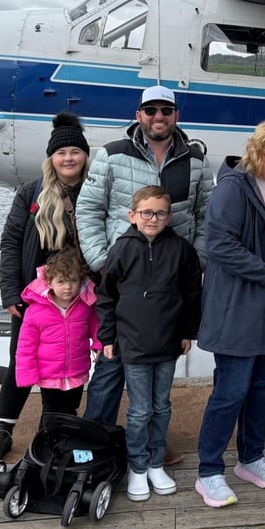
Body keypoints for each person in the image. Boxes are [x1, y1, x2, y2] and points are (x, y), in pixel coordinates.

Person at [76, 84, 213, 461]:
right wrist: (101, 262)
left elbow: (204, 217)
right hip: (122, 280)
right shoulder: (111, 154)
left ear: (175, 116)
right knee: (110, 363)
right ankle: (95, 442)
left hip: (169, 288)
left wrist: (196, 262)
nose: (158, 117)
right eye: (150, 110)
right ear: (139, 116)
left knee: (156, 374)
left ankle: (151, 443)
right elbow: (88, 209)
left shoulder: (195, 160)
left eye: (165, 111)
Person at [193, 118, 265, 508]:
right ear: (256, 148)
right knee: (230, 391)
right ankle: (208, 471)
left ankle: (251, 458)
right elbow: (218, 245)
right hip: (240, 307)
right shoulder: (234, 187)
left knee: (260, 388)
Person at [0, 111, 91, 467]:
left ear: (85, 155)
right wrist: (10, 291)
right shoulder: (31, 193)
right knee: (21, 363)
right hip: (36, 296)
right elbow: (11, 241)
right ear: (51, 158)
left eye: (75, 151)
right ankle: (3, 430)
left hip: (78, 295)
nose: (68, 158)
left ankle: (52, 429)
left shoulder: (94, 192)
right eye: (61, 152)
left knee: (68, 362)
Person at [95, 186, 203, 502]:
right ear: (133, 216)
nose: (152, 218)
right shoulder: (121, 250)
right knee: (140, 410)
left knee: (162, 406)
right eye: (146, 213)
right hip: (133, 345)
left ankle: (157, 462)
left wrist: (188, 332)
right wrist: (108, 337)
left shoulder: (182, 250)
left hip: (168, 342)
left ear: (168, 217)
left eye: (159, 213)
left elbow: (192, 296)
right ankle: (138, 466)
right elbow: (106, 297)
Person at [14, 249, 100, 419]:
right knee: (51, 413)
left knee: (71, 411)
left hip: (77, 372)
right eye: (61, 282)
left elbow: (96, 327)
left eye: (73, 280)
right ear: (49, 283)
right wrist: (26, 375)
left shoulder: (85, 307)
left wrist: (98, 344)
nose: (68, 287)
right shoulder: (35, 311)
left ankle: (66, 443)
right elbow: (25, 347)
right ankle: (47, 443)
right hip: (49, 375)